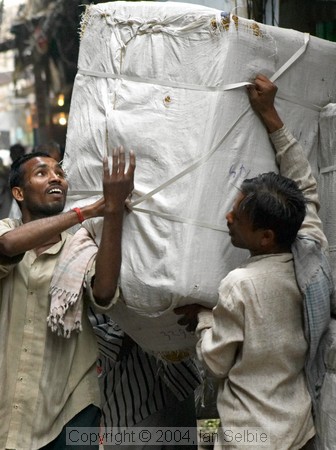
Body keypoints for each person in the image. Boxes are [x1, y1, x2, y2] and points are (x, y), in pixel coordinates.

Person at [175, 74, 334, 449]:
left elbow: (215, 364)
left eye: (237, 218)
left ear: (265, 236)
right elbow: (304, 187)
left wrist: (206, 317)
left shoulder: (239, 285)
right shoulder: (310, 255)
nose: (227, 218)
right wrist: (271, 116)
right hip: (298, 430)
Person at [0, 147, 135, 449]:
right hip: (8, 400)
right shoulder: (6, 229)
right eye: (42, 173)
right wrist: (86, 211)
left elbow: (103, 292)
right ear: (19, 193)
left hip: (72, 406)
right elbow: (8, 246)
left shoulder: (80, 245)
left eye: (60, 173)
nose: (55, 178)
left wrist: (112, 211)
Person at [89, 310, 202, 450]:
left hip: (177, 386)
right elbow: (111, 343)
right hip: (131, 409)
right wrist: (151, 313)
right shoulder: (74, 294)